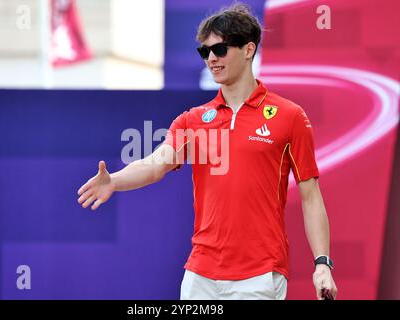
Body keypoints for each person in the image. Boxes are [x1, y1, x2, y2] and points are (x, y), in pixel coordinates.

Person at [77, 3, 337, 300]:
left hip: (260, 275)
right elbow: (155, 164)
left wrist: (322, 264)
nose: (212, 58)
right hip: (200, 274)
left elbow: (311, 196)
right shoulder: (193, 119)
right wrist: (114, 181)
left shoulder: (289, 116)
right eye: (205, 52)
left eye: (221, 50)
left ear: (249, 49)